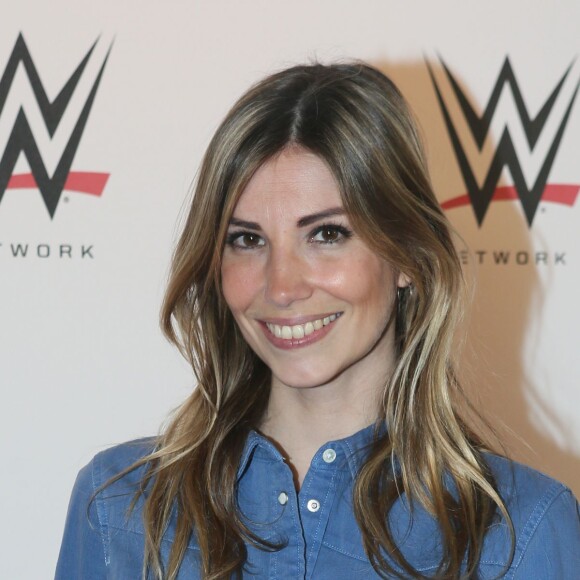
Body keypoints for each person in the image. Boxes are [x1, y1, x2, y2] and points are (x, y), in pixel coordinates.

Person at [55, 62, 580, 580]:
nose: (281, 287)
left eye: (327, 234)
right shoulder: (120, 511)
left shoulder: (517, 534)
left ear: (407, 257)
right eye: (248, 239)